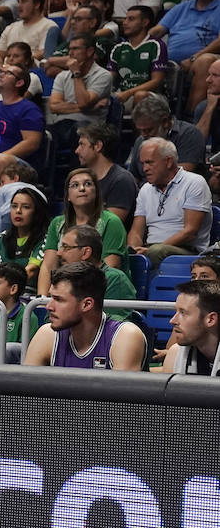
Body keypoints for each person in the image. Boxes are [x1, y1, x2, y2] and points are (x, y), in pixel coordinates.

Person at [24, 262, 146, 370]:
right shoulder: (47, 334)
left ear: (87, 304)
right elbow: (25, 393)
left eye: (58, 300)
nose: (49, 307)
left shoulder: (125, 336)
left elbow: (122, 394)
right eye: (51, 298)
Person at [35, 168, 128, 294]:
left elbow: (110, 267)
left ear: (96, 192)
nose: (82, 188)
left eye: (88, 184)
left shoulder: (111, 222)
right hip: (66, 290)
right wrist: (42, 300)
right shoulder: (57, 223)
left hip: (100, 291)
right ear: (67, 195)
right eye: (75, 185)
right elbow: (48, 266)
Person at [128, 138, 213, 267]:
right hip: (152, 249)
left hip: (186, 250)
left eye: (150, 163)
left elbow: (190, 232)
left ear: (168, 162)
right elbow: (136, 231)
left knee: (157, 251)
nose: (144, 168)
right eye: (143, 163)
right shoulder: (145, 189)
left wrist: (153, 249)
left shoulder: (194, 183)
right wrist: (133, 249)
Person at [0, 185, 50, 287]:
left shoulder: (45, 239)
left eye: (26, 207)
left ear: (37, 212)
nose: (18, 211)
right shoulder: (2, 238)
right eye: (14, 206)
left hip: (30, 298)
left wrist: (3, 288)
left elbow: (31, 271)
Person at [161, 279, 220, 376]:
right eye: (176, 312)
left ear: (211, 319)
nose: (172, 321)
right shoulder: (175, 354)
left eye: (183, 313)